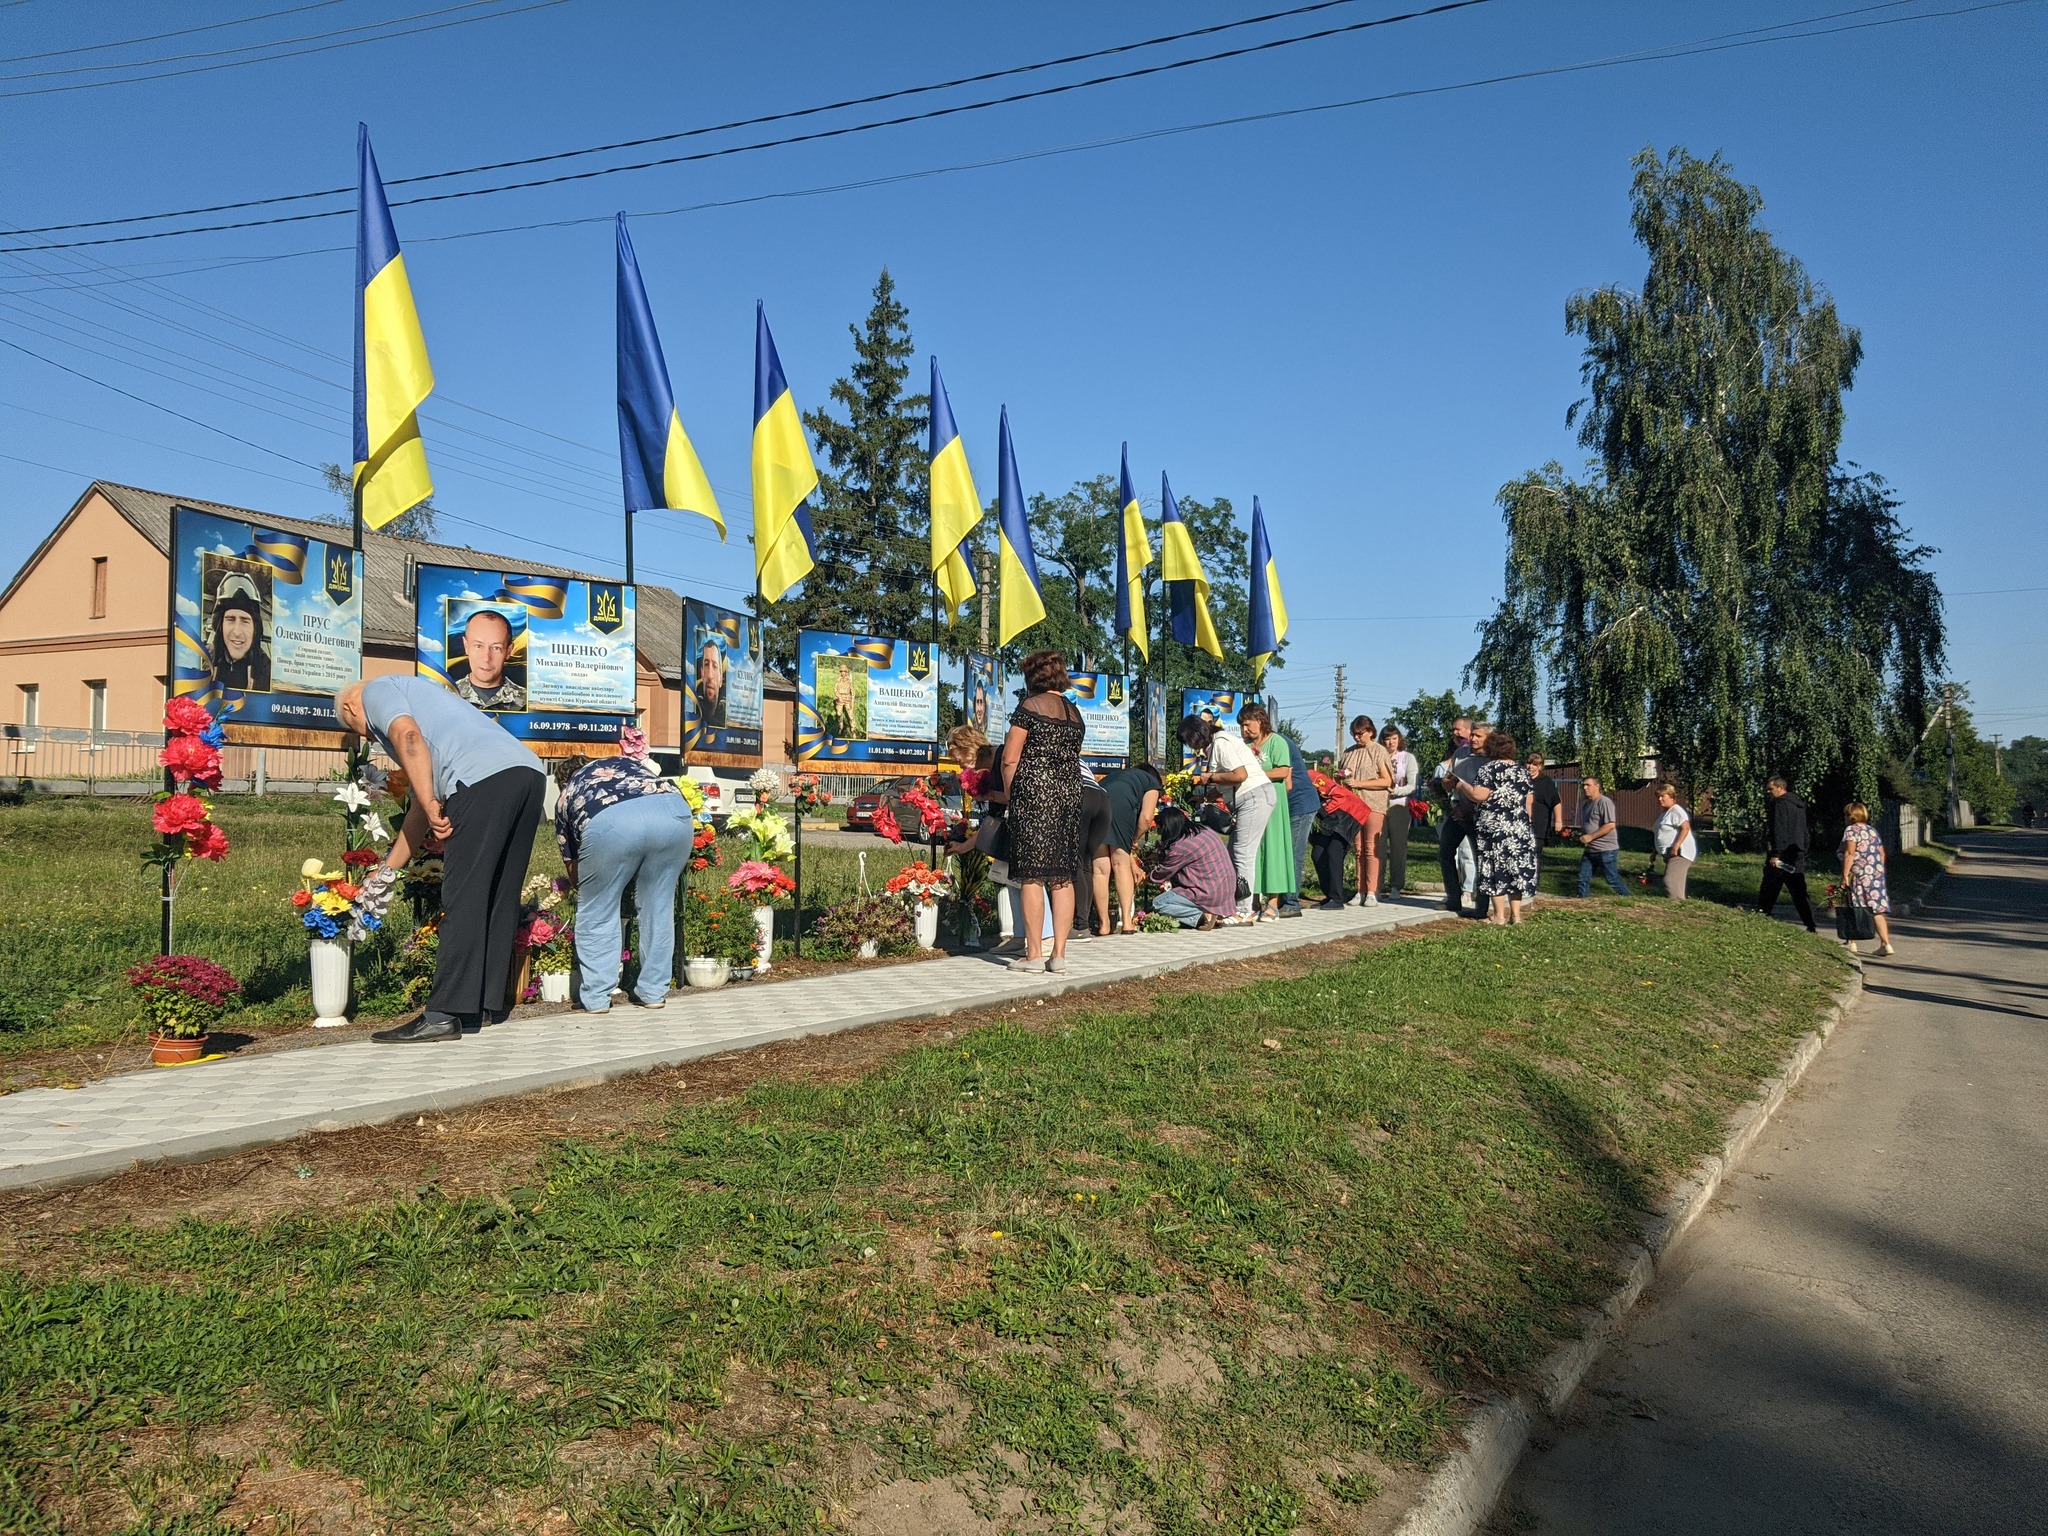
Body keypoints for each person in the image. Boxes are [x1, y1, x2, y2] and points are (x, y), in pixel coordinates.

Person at [337, 675, 545, 1042]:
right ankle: (483, 1006)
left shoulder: (376, 691)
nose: (368, 738)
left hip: (480, 779)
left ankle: (443, 1014)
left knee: (464, 894)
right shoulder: (431, 703)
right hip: (527, 774)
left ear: (350, 707)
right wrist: (386, 871)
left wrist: (433, 801)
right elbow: (422, 805)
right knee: (499, 892)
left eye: (357, 730)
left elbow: (408, 736)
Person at [557, 726, 689, 1010]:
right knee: (658, 907)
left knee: (598, 908)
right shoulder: (624, 763)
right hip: (673, 812)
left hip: (611, 819)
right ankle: (653, 992)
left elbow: (575, 871)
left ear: (562, 782)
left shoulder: (568, 792)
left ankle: (596, 998)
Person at [988, 650, 1085, 971]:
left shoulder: (1029, 708)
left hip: (1034, 796)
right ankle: (1059, 955)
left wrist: (1011, 792)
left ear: (1032, 677)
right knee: (1062, 875)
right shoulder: (1074, 713)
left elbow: (1009, 758)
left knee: (1032, 874)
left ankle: (1033, 955)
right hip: (1069, 796)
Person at [1182, 711, 1274, 924]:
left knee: (1243, 854)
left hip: (1254, 797)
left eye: (1190, 741)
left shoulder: (1221, 742)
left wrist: (1210, 777)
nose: (1191, 747)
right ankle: (1233, 905)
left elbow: (1240, 775)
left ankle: (1244, 910)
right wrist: (1206, 796)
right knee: (1233, 853)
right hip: (1250, 797)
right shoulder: (1216, 744)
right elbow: (1230, 780)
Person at [1457, 730, 1538, 923]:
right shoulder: (1522, 771)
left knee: (1495, 869)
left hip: (1494, 827)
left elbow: (1479, 795)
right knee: (1515, 869)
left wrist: (1462, 786)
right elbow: (1529, 801)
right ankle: (1516, 915)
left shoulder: (1489, 769)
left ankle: (1498, 916)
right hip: (1519, 827)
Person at [1239, 704, 1299, 920]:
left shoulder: (1277, 742)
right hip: (1251, 802)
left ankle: (1273, 903)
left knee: (1273, 849)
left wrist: (1255, 774)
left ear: (1260, 720)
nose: (1245, 729)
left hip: (1273, 802)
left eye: (1248, 724)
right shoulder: (1244, 746)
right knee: (1252, 850)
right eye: (1242, 726)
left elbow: (1283, 771)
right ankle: (1253, 900)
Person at [1147, 804, 1237, 929]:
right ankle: (1212, 913)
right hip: (1225, 889)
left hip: (1208, 892)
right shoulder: (1204, 831)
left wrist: (1144, 877)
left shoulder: (1181, 846)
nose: (1160, 833)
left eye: (1160, 829)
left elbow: (1163, 872)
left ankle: (1201, 916)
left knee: (1159, 903)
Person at [1098, 761, 1163, 934]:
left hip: (1097, 801)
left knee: (1100, 868)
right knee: (1120, 864)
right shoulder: (1151, 783)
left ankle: (1104, 924)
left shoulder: (1116, 776)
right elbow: (1147, 818)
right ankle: (1127, 922)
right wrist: (1134, 838)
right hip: (1121, 805)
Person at [1336, 714, 1394, 906]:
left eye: (1360, 733)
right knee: (1359, 849)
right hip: (1353, 806)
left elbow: (1387, 781)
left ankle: (1372, 891)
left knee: (1371, 848)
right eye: (1354, 734)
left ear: (1370, 731)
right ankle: (1360, 890)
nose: (1357, 737)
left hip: (1374, 804)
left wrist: (1360, 783)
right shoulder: (1349, 752)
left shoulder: (1379, 751)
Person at [1758, 776, 1819, 932]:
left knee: (1770, 886)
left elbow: (1779, 829)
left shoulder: (1780, 804)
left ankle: (1760, 915)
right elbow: (1804, 829)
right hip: (1796, 851)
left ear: (1780, 788)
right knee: (1798, 890)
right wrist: (1804, 848)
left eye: (1771, 789)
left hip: (1783, 852)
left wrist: (1776, 853)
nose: (1768, 792)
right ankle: (1811, 923)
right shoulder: (1798, 804)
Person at [1310, 765, 1374, 911]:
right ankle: (1329, 895)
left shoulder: (1312, 777)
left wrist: (1322, 811)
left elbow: (1339, 795)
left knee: (1334, 853)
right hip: (1329, 818)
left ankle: (1337, 898)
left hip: (1348, 812)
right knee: (1317, 854)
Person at [1838, 801, 1895, 956]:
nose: (1844, 818)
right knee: (1876, 909)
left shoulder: (1851, 830)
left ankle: (1851, 942)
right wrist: (1877, 870)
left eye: (1846, 814)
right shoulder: (1872, 830)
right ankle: (1886, 944)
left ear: (1851, 816)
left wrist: (1845, 875)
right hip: (1875, 875)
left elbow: (1850, 853)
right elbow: (1881, 853)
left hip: (1859, 874)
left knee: (1852, 905)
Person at [1435, 717, 1479, 914]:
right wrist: (1445, 783)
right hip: (1457, 809)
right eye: (1453, 730)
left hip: (1476, 812)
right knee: (1445, 852)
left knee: (1478, 856)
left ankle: (1479, 900)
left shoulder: (1486, 755)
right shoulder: (1459, 753)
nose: (1455, 733)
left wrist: (1468, 806)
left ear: (1470, 731)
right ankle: (1453, 898)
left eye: (1458, 730)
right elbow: (1449, 780)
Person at [1277, 729, 1320, 916]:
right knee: (1281, 853)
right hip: (1286, 806)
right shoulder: (1264, 743)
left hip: (1300, 804)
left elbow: (1286, 779)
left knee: (1293, 854)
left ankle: (1291, 903)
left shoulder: (1279, 742)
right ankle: (1279, 899)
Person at [452, 608, 526, 713]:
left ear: (508, 651)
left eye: (496, 648)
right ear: (466, 646)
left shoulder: (526, 701)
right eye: (478, 646)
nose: (486, 658)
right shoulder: (447, 696)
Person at [209, 571, 272, 693]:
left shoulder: (267, 672)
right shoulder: (204, 661)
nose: (237, 632)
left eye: (245, 621)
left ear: (255, 629)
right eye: (230, 619)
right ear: (220, 626)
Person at [1571, 773, 1629, 897]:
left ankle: (1629, 900)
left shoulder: (1604, 802)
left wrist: (1591, 837)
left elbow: (1610, 825)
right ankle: (1581, 901)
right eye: (1584, 785)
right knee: (1582, 878)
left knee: (1612, 879)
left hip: (1606, 849)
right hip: (1591, 849)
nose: (1585, 788)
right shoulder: (1586, 804)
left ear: (1597, 786)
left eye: (1588, 785)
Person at [1074, 763, 1114, 939]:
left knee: (1074, 861)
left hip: (1081, 795)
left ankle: (1079, 925)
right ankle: (1083, 924)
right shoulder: (1079, 760)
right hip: (1102, 799)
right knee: (1085, 862)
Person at [1379, 725, 1419, 896]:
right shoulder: (1378, 756)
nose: (1391, 742)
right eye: (1388, 739)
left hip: (1399, 805)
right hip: (1379, 805)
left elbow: (1412, 785)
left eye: (1394, 739)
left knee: (1398, 847)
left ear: (1399, 739)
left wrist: (1396, 791)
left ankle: (1396, 885)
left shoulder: (1407, 758)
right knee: (1378, 847)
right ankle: (1376, 885)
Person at [1653, 782, 1698, 901]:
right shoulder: (1665, 813)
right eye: (1658, 797)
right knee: (1675, 881)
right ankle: (1678, 903)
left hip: (1680, 853)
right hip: (1669, 853)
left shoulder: (1676, 811)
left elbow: (1685, 828)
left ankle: (1676, 904)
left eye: (1663, 796)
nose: (1659, 799)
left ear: (1672, 797)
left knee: (1670, 880)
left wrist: (1676, 847)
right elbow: (1661, 834)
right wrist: (1655, 852)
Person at [1526, 753, 1563, 889]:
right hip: (1521, 825)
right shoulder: (1521, 780)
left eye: (1534, 764)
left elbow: (1556, 802)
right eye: (1529, 763)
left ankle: (1533, 885)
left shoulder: (1546, 782)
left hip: (1538, 825)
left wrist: (1558, 821)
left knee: (1535, 856)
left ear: (1540, 767)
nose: (1530, 767)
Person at [695, 641, 727, 728]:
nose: (710, 675)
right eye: (706, 664)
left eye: (715, 666)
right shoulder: (693, 709)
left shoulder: (726, 715)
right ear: (702, 673)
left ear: (721, 679)